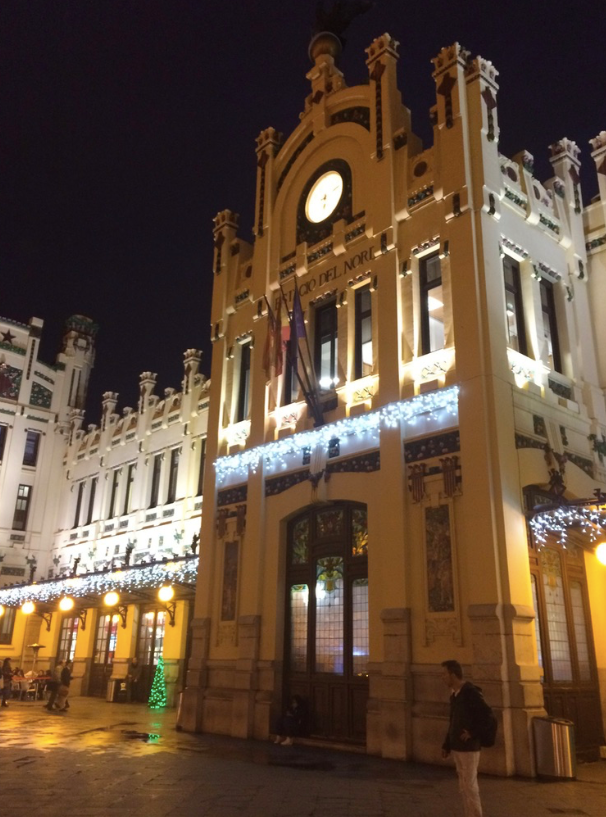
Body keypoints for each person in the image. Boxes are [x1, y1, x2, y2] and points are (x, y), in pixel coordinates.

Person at [441, 659, 486, 817]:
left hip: (468, 748)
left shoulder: (470, 693)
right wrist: (447, 744)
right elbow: (453, 721)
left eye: (445, 674)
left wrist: (472, 733)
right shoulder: (455, 695)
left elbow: (488, 717)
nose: (443, 677)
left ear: (453, 675)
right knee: (464, 786)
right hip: (458, 746)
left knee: (470, 786)